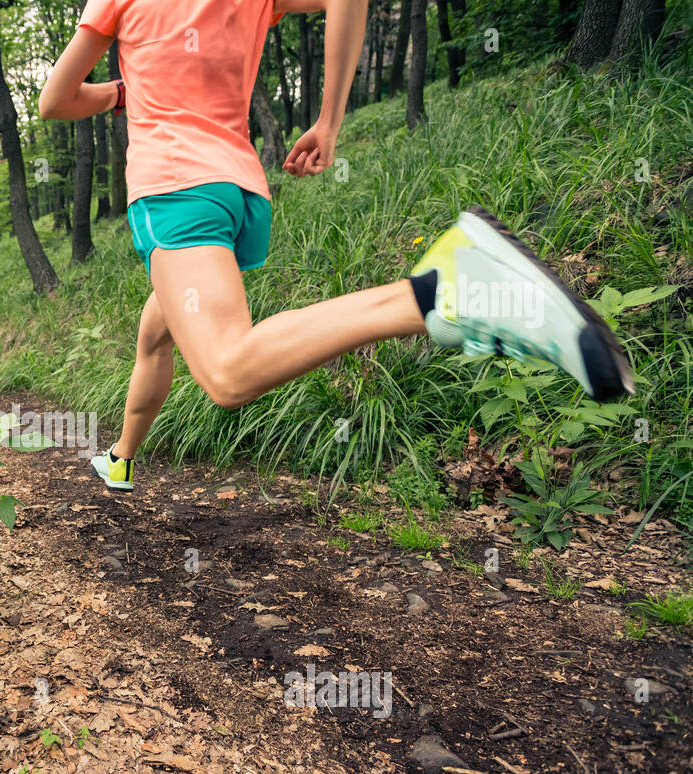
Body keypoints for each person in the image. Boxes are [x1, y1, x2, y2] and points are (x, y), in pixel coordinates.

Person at [38, 0, 633, 492]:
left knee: (224, 371)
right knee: (155, 335)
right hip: (238, 192)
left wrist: (120, 93)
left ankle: (439, 291)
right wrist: (329, 122)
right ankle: (121, 457)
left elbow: (55, 101)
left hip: (174, 191)